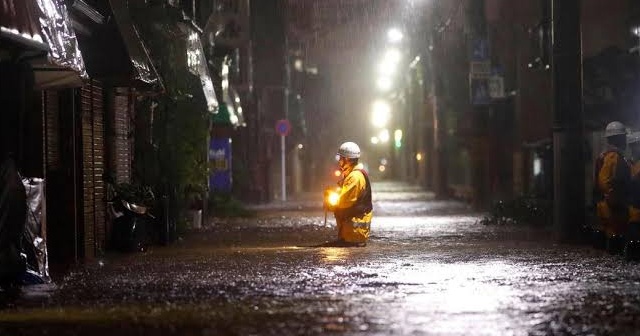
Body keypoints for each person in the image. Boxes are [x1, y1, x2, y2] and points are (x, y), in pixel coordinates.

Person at [593, 121, 631, 253]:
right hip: (612, 206)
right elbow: (604, 181)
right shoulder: (613, 157)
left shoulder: (604, 156)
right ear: (619, 139)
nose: (625, 140)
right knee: (616, 239)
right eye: (624, 137)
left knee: (611, 239)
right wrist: (613, 198)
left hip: (607, 204)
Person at [325, 142, 372, 247]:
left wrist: (330, 202)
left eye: (340, 158)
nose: (339, 161)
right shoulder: (353, 174)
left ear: (347, 159)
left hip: (354, 234)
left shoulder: (354, 177)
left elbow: (344, 203)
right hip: (352, 233)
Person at [625, 131, 640, 259]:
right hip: (632, 210)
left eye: (637, 145)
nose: (635, 148)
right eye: (633, 145)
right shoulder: (630, 165)